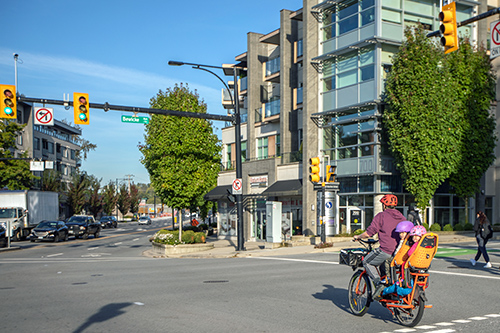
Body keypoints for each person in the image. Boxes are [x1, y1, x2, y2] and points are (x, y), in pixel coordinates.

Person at [353, 194, 406, 299]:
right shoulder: (401, 216)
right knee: (385, 266)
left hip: (386, 251)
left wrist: (358, 236)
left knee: (366, 262)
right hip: (400, 254)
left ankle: (379, 285)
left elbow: (369, 233)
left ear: (384, 205)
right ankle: (388, 287)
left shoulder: (381, 216)